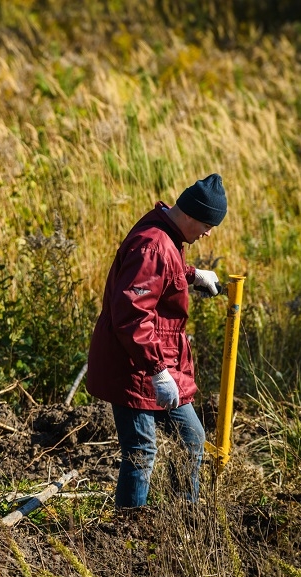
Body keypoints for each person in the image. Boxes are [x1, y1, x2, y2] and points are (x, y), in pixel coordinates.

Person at [87, 173, 227, 508]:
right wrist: (158, 371)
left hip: (154, 362)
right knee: (140, 451)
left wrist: (192, 274)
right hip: (135, 366)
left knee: (191, 439)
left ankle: (183, 521)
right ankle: (129, 531)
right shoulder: (153, 243)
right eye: (207, 225)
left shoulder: (166, 234)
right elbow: (131, 315)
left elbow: (163, 269)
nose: (208, 233)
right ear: (192, 215)